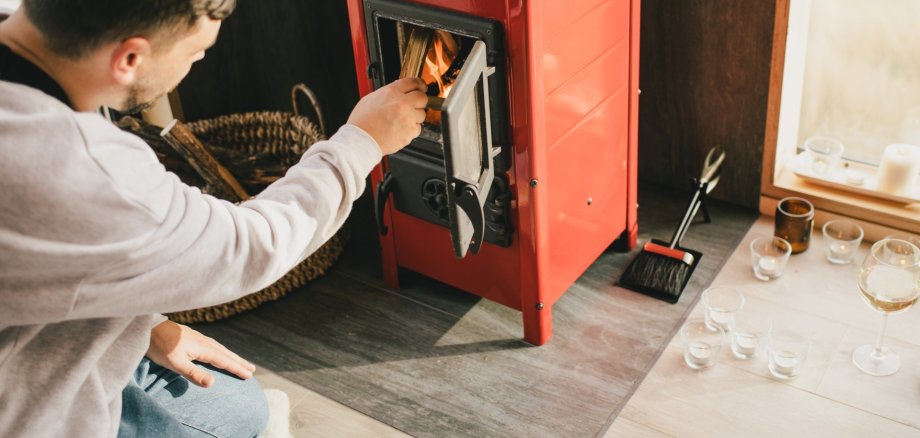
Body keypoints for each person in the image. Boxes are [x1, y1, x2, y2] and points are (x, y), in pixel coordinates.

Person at [0, 0, 427, 436]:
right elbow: (252, 244)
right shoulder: (76, 170)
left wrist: (147, 324)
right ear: (130, 58)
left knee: (240, 407)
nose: (201, 58)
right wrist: (363, 142)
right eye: (195, 50)